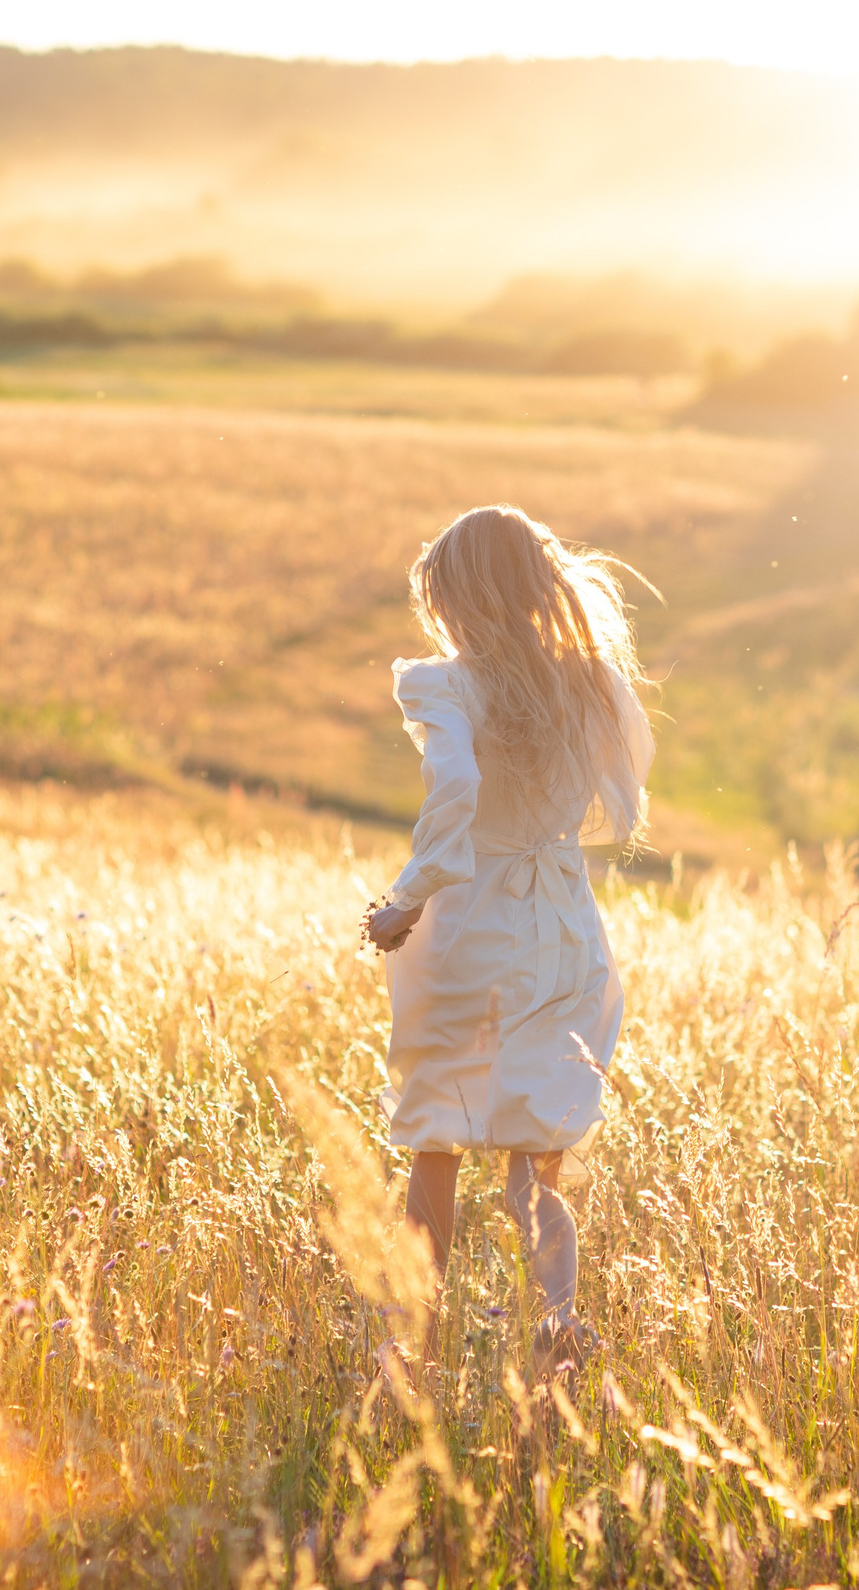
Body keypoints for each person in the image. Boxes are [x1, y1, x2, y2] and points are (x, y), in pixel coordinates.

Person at [361, 505, 654, 1380]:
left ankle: (412, 1345)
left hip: (473, 919)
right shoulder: (592, 682)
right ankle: (556, 1328)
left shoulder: (450, 686)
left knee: (438, 1142)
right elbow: (628, 771)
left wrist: (405, 897)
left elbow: (452, 786)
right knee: (538, 1156)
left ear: (458, 600)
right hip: (563, 917)